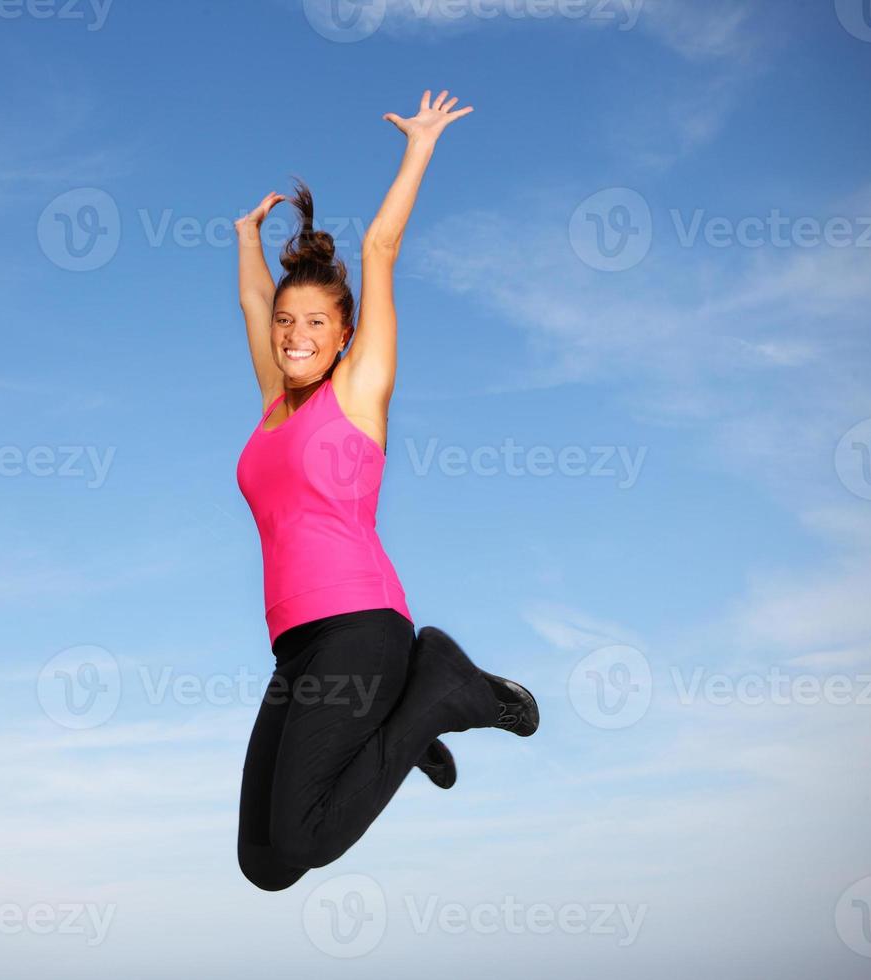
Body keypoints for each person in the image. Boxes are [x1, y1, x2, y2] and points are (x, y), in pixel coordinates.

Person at [234, 90, 539, 892]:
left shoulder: (357, 392)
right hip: (296, 645)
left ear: (344, 337)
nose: (295, 336)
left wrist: (421, 147)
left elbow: (382, 246)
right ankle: (401, 722)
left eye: (316, 326)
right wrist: (245, 240)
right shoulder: (274, 403)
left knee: (305, 836)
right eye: (285, 322)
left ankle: (436, 689)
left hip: (360, 623)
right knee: (265, 864)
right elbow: (249, 301)